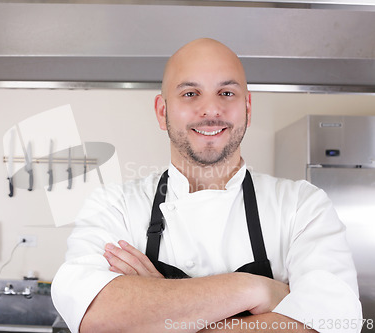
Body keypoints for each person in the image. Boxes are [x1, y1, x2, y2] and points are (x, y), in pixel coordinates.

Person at [51, 38, 362, 333]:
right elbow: (93, 315)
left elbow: (336, 322)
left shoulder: (302, 205)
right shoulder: (113, 205)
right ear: (162, 112)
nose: (211, 110)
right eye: (190, 94)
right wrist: (255, 289)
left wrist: (155, 307)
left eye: (226, 93)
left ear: (248, 107)